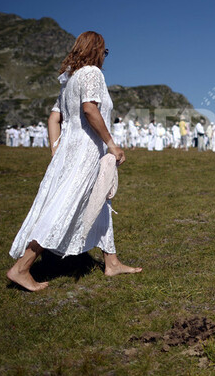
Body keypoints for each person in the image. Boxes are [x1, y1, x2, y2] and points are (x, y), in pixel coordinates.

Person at [7, 31, 141, 292]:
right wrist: (111, 144)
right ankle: (22, 267)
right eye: (104, 51)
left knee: (101, 202)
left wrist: (57, 150)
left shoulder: (69, 80)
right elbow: (90, 108)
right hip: (87, 150)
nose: (105, 56)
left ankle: (111, 262)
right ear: (96, 50)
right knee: (64, 205)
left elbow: (53, 118)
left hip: (71, 150)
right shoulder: (92, 73)